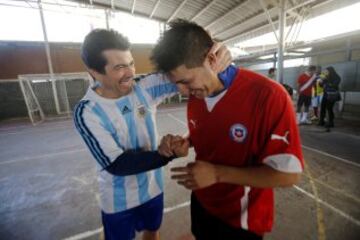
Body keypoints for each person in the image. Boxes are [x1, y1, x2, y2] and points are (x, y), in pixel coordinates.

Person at [151, 19, 303, 240]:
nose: (182, 92)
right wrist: (185, 141)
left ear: (212, 59)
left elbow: (288, 175)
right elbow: (204, 128)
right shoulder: (198, 92)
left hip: (240, 217)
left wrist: (217, 174)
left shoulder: (268, 96)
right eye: (177, 84)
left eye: (185, 81)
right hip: (202, 201)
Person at [73, 29, 230, 240]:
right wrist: (167, 154)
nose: (130, 72)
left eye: (130, 63)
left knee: (153, 231)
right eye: (120, 67)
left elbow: (190, 72)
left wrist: (216, 57)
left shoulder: (144, 88)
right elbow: (117, 164)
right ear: (94, 71)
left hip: (153, 189)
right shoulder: (88, 111)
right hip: (118, 199)